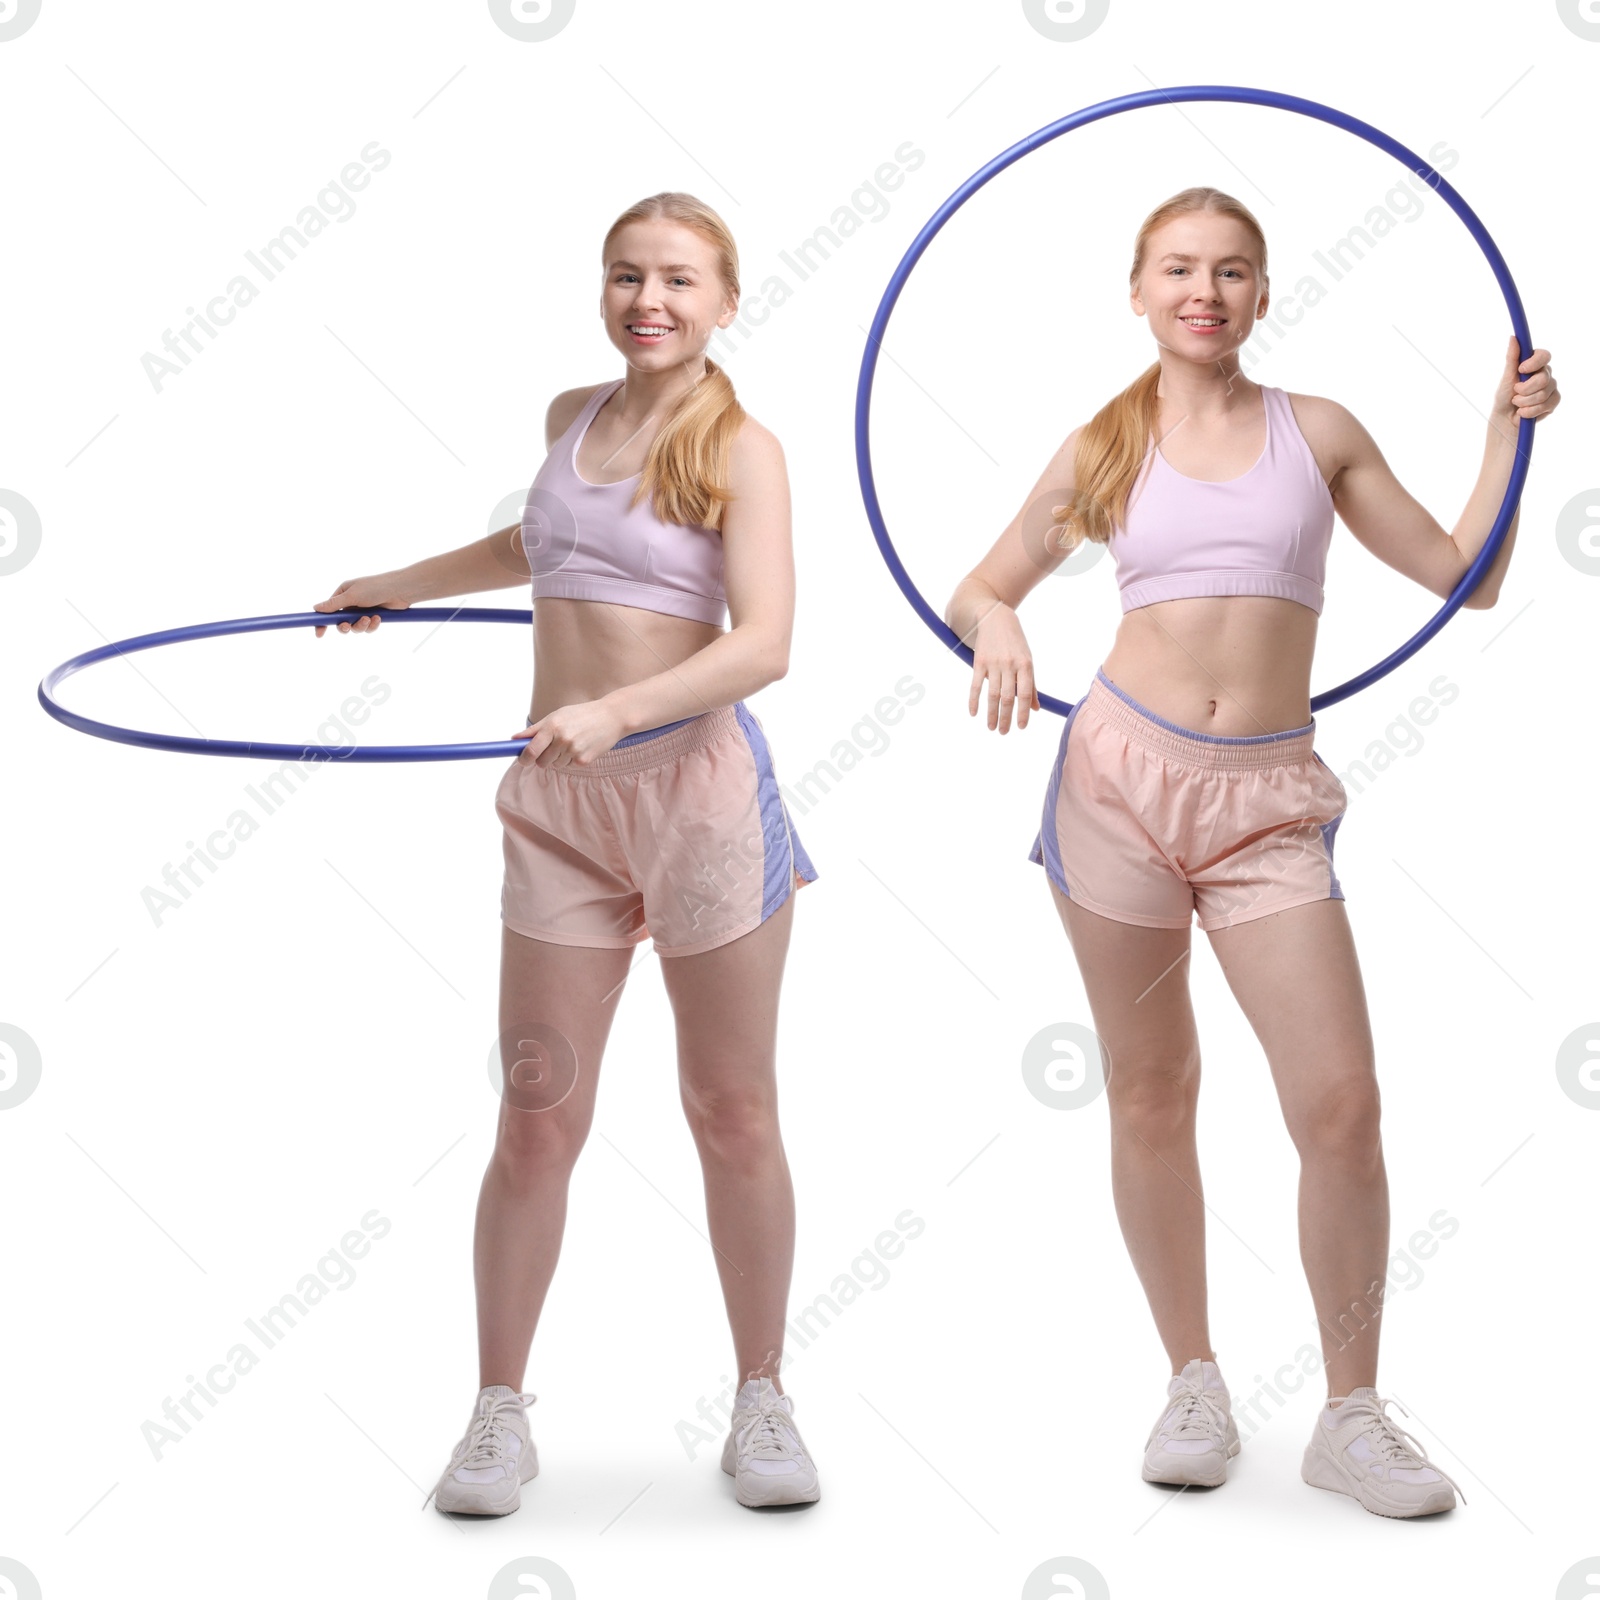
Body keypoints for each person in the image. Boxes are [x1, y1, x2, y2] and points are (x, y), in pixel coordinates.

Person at [945, 185, 1558, 1519]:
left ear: (1264, 294)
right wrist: (997, 623)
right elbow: (979, 583)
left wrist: (1508, 433)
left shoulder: (1316, 432)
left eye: (1231, 270)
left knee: (1340, 1104)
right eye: (1178, 268)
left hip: (1269, 800)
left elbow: (1470, 571)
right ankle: (1193, 1382)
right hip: (1115, 781)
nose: (1203, 291)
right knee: (1153, 1093)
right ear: (1138, 289)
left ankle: (1350, 1412)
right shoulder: (1105, 443)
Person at [313, 192, 822, 1516]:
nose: (648, 298)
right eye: (625, 276)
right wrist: (398, 583)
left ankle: (762, 1397)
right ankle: (498, 1414)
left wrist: (611, 711)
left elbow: (763, 642)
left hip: (696, 800)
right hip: (561, 812)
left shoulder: (745, 448)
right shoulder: (567, 421)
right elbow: (538, 548)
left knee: (733, 1110)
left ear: (724, 297)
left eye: (678, 279)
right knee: (537, 1117)